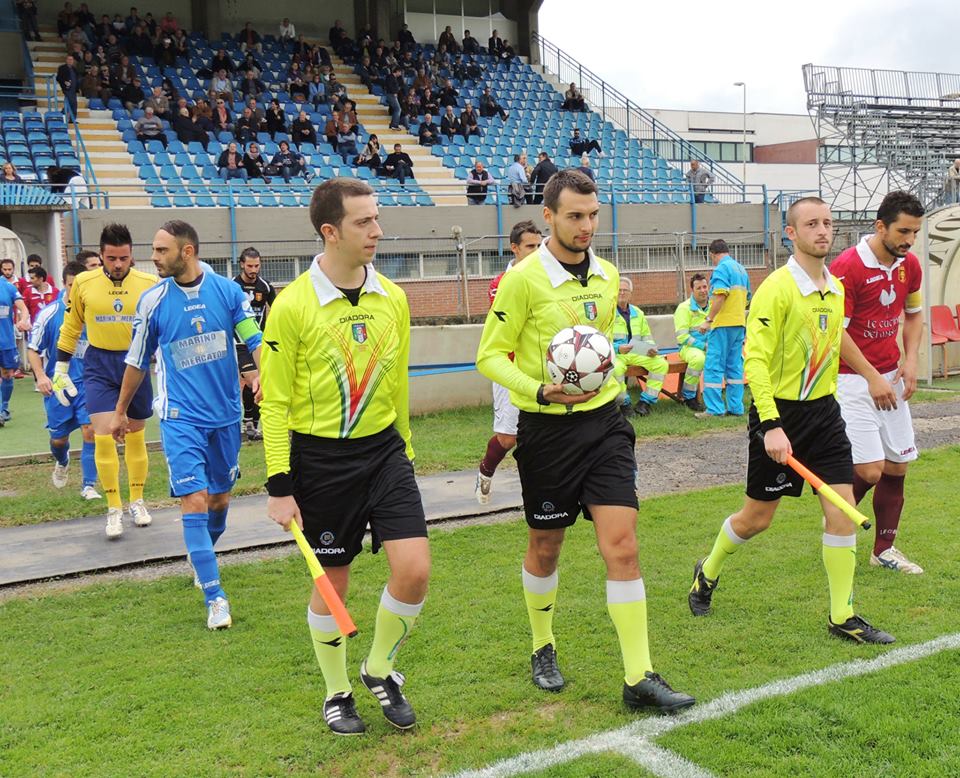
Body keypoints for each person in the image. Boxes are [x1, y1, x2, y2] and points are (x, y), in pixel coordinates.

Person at [475, 169, 695, 712]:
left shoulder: (607, 276)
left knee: (622, 544)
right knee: (546, 547)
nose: (587, 226)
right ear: (548, 216)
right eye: (575, 216)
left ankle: (639, 675)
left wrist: (618, 373)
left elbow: (595, 348)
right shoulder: (523, 280)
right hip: (547, 432)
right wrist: (540, 392)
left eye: (593, 215)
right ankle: (542, 644)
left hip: (604, 426)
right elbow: (488, 356)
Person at [261, 178, 430, 735]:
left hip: (384, 452)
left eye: (377, 218)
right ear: (329, 231)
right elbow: (276, 402)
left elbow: (397, 384)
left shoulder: (394, 298)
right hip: (320, 461)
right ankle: (337, 692)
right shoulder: (290, 306)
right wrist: (279, 486)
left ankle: (379, 667)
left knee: (414, 570)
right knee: (333, 581)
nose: (377, 230)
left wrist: (404, 447)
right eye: (364, 222)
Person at [687, 196, 895, 646]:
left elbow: (836, 339)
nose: (823, 231)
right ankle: (708, 570)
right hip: (778, 413)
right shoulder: (776, 289)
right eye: (812, 224)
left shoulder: (834, 288)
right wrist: (771, 424)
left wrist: (872, 375)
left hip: (824, 412)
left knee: (841, 511)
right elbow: (755, 361)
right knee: (756, 519)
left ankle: (843, 615)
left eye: (828, 223)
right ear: (791, 233)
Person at [113, 221, 262, 630]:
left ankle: (203, 558)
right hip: (181, 417)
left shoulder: (228, 292)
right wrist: (121, 410)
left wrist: (264, 371)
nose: (155, 258)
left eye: (162, 250)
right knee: (194, 499)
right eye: (155, 250)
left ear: (188, 252)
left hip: (227, 415)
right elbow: (137, 360)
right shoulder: (153, 301)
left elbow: (253, 337)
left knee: (219, 502)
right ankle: (216, 597)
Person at [830, 191, 925, 575]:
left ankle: (883, 549)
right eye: (903, 231)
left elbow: (914, 314)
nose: (909, 240)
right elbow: (836, 332)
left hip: (890, 376)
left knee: (898, 465)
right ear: (880, 226)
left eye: (915, 232)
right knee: (870, 470)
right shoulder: (846, 267)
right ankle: (835, 520)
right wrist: (871, 377)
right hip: (851, 379)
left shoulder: (910, 265)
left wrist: (911, 361)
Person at [54, 224, 156, 538]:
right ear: (101, 256)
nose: (117, 264)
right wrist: (60, 368)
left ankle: (137, 501)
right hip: (98, 364)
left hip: (135, 364)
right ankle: (113, 508)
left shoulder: (149, 284)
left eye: (123, 258)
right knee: (102, 434)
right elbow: (71, 327)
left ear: (131, 256)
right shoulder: (83, 283)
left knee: (136, 434)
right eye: (111, 258)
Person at [474, 221, 541, 503]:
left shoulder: (547, 278)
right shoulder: (499, 284)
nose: (537, 252)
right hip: (509, 369)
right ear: (514, 248)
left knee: (544, 433)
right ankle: (485, 472)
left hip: (540, 368)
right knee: (507, 438)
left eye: (540, 246)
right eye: (530, 247)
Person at [27, 260, 100, 498]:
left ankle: (88, 485)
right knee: (58, 439)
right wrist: (40, 377)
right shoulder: (49, 314)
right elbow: (33, 349)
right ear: (64, 284)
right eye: (72, 285)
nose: (77, 290)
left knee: (91, 431)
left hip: (89, 383)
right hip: (58, 384)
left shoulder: (97, 313)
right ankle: (62, 460)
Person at [698, 239, 750, 418]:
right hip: (739, 323)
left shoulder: (721, 269)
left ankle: (714, 409)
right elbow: (747, 298)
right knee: (734, 367)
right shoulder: (741, 270)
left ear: (712, 254)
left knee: (713, 365)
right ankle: (736, 408)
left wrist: (709, 319)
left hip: (722, 325)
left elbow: (720, 295)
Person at [232, 247, 274, 441]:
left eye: (256, 265)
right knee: (253, 378)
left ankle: (251, 422)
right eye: (249, 265)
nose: (253, 269)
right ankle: (250, 422)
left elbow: (278, 309)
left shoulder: (265, 287)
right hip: (238, 343)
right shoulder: (232, 286)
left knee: (260, 382)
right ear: (241, 264)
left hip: (258, 343)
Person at [613, 277, 668, 417]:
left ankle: (645, 403)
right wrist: (617, 348)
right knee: (616, 368)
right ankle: (624, 404)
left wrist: (650, 349)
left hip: (637, 352)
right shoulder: (608, 313)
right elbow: (601, 340)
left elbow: (647, 337)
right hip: (616, 354)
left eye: (625, 290)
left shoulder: (638, 312)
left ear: (631, 293)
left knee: (661, 364)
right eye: (619, 290)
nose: (622, 293)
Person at [672, 273, 708, 411]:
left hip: (711, 346)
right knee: (698, 359)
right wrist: (704, 346)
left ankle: (726, 397)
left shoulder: (714, 305)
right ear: (692, 290)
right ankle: (689, 397)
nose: (703, 290)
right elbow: (682, 337)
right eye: (699, 288)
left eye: (705, 287)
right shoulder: (683, 308)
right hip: (689, 347)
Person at [0, 270, 31, 425]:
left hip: (6, 341)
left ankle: (4, 407)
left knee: (7, 375)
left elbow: (23, 308)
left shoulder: (8, 287)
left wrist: (23, 320)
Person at [57, 54, 79, 121]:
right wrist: (64, 82)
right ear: (66, 60)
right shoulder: (62, 68)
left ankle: (72, 119)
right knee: (71, 102)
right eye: (69, 59)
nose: (70, 61)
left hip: (74, 89)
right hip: (67, 88)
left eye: (71, 60)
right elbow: (58, 78)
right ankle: (63, 115)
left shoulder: (75, 69)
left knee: (74, 103)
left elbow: (76, 79)